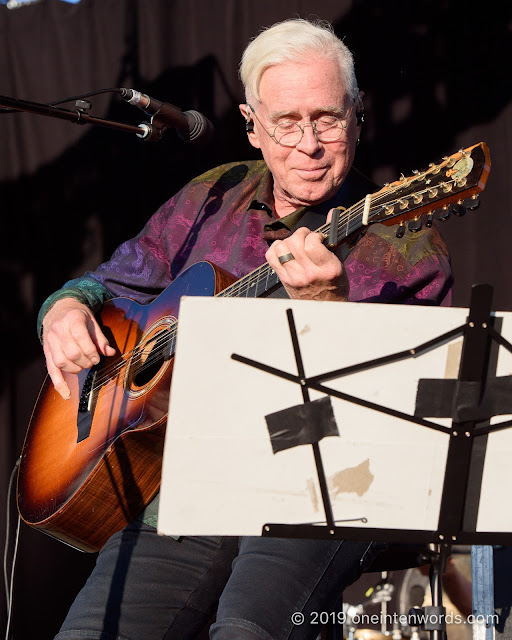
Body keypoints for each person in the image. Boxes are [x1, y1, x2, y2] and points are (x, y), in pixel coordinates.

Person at [38, 18, 453, 640]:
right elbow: (115, 282)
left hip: (315, 494)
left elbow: (411, 423)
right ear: (252, 124)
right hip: (180, 494)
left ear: (358, 115)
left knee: (244, 630)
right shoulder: (214, 194)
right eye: (286, 122)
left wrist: (331, 313)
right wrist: (63, 309)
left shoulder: (407, 244)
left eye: (327, 119)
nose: (308, 144)